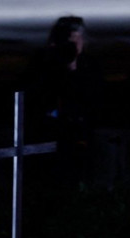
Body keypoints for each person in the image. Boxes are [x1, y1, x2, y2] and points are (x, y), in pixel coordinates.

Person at [21, 16, 103, 187]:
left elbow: (92, 102)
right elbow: (34, 98)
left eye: (76, 40)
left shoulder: (90, 66)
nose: (71, 46)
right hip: (44, 140)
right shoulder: (41, 64)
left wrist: (73, 68)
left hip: (78, 141)